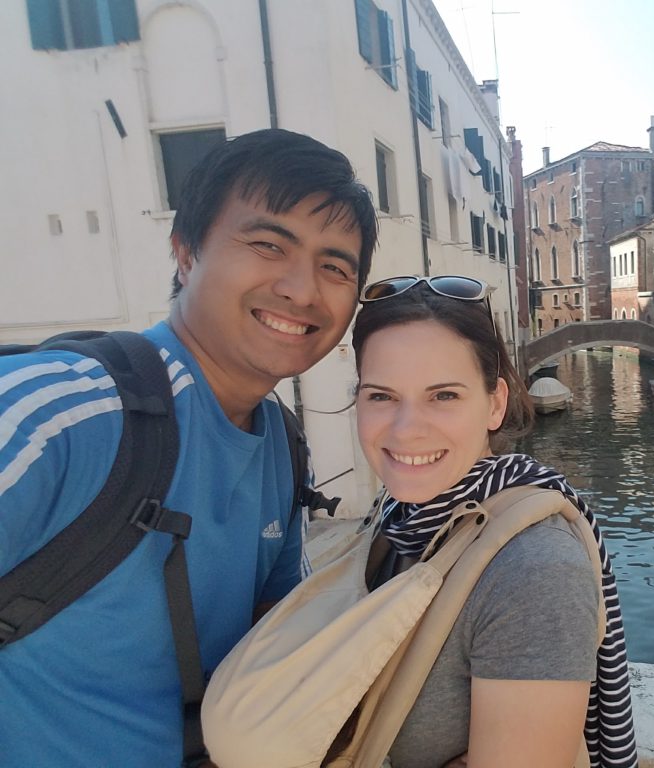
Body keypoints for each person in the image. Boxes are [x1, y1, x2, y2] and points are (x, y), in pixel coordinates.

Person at [0, 129, 377, 767]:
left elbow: (273, 632)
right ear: (185, 253)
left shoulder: (280, 444)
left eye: (335, 267)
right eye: (267, 245)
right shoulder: (59, 412)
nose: (302, 289)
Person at [351, 275, 639, 768]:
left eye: (443, 396)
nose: (405, 429)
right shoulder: (397, 518)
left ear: (495, 404)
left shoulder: (535, 570)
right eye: (381, 396)